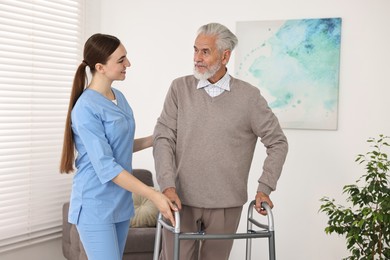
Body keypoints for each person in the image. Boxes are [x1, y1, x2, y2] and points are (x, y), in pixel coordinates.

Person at [153, 23, 288, 260]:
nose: (197, 58)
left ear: (225, 56)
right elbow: (163, 137)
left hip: (226, 202)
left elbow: (277, 142)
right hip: (179, 199)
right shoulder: (179, 88)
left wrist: (265, 188)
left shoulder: (249, 97)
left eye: (205, 51)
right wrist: (166, 185)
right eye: (195, 50)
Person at [59, 33, 176, 260]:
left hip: (120, 203)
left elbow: (119, 146)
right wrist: (153, 194)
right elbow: (107, 167)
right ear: (100, 67)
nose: (128, 64)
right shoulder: (85, 108)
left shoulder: (118, 97)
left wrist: (157, 137)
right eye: (121, 60)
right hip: (95, 205)